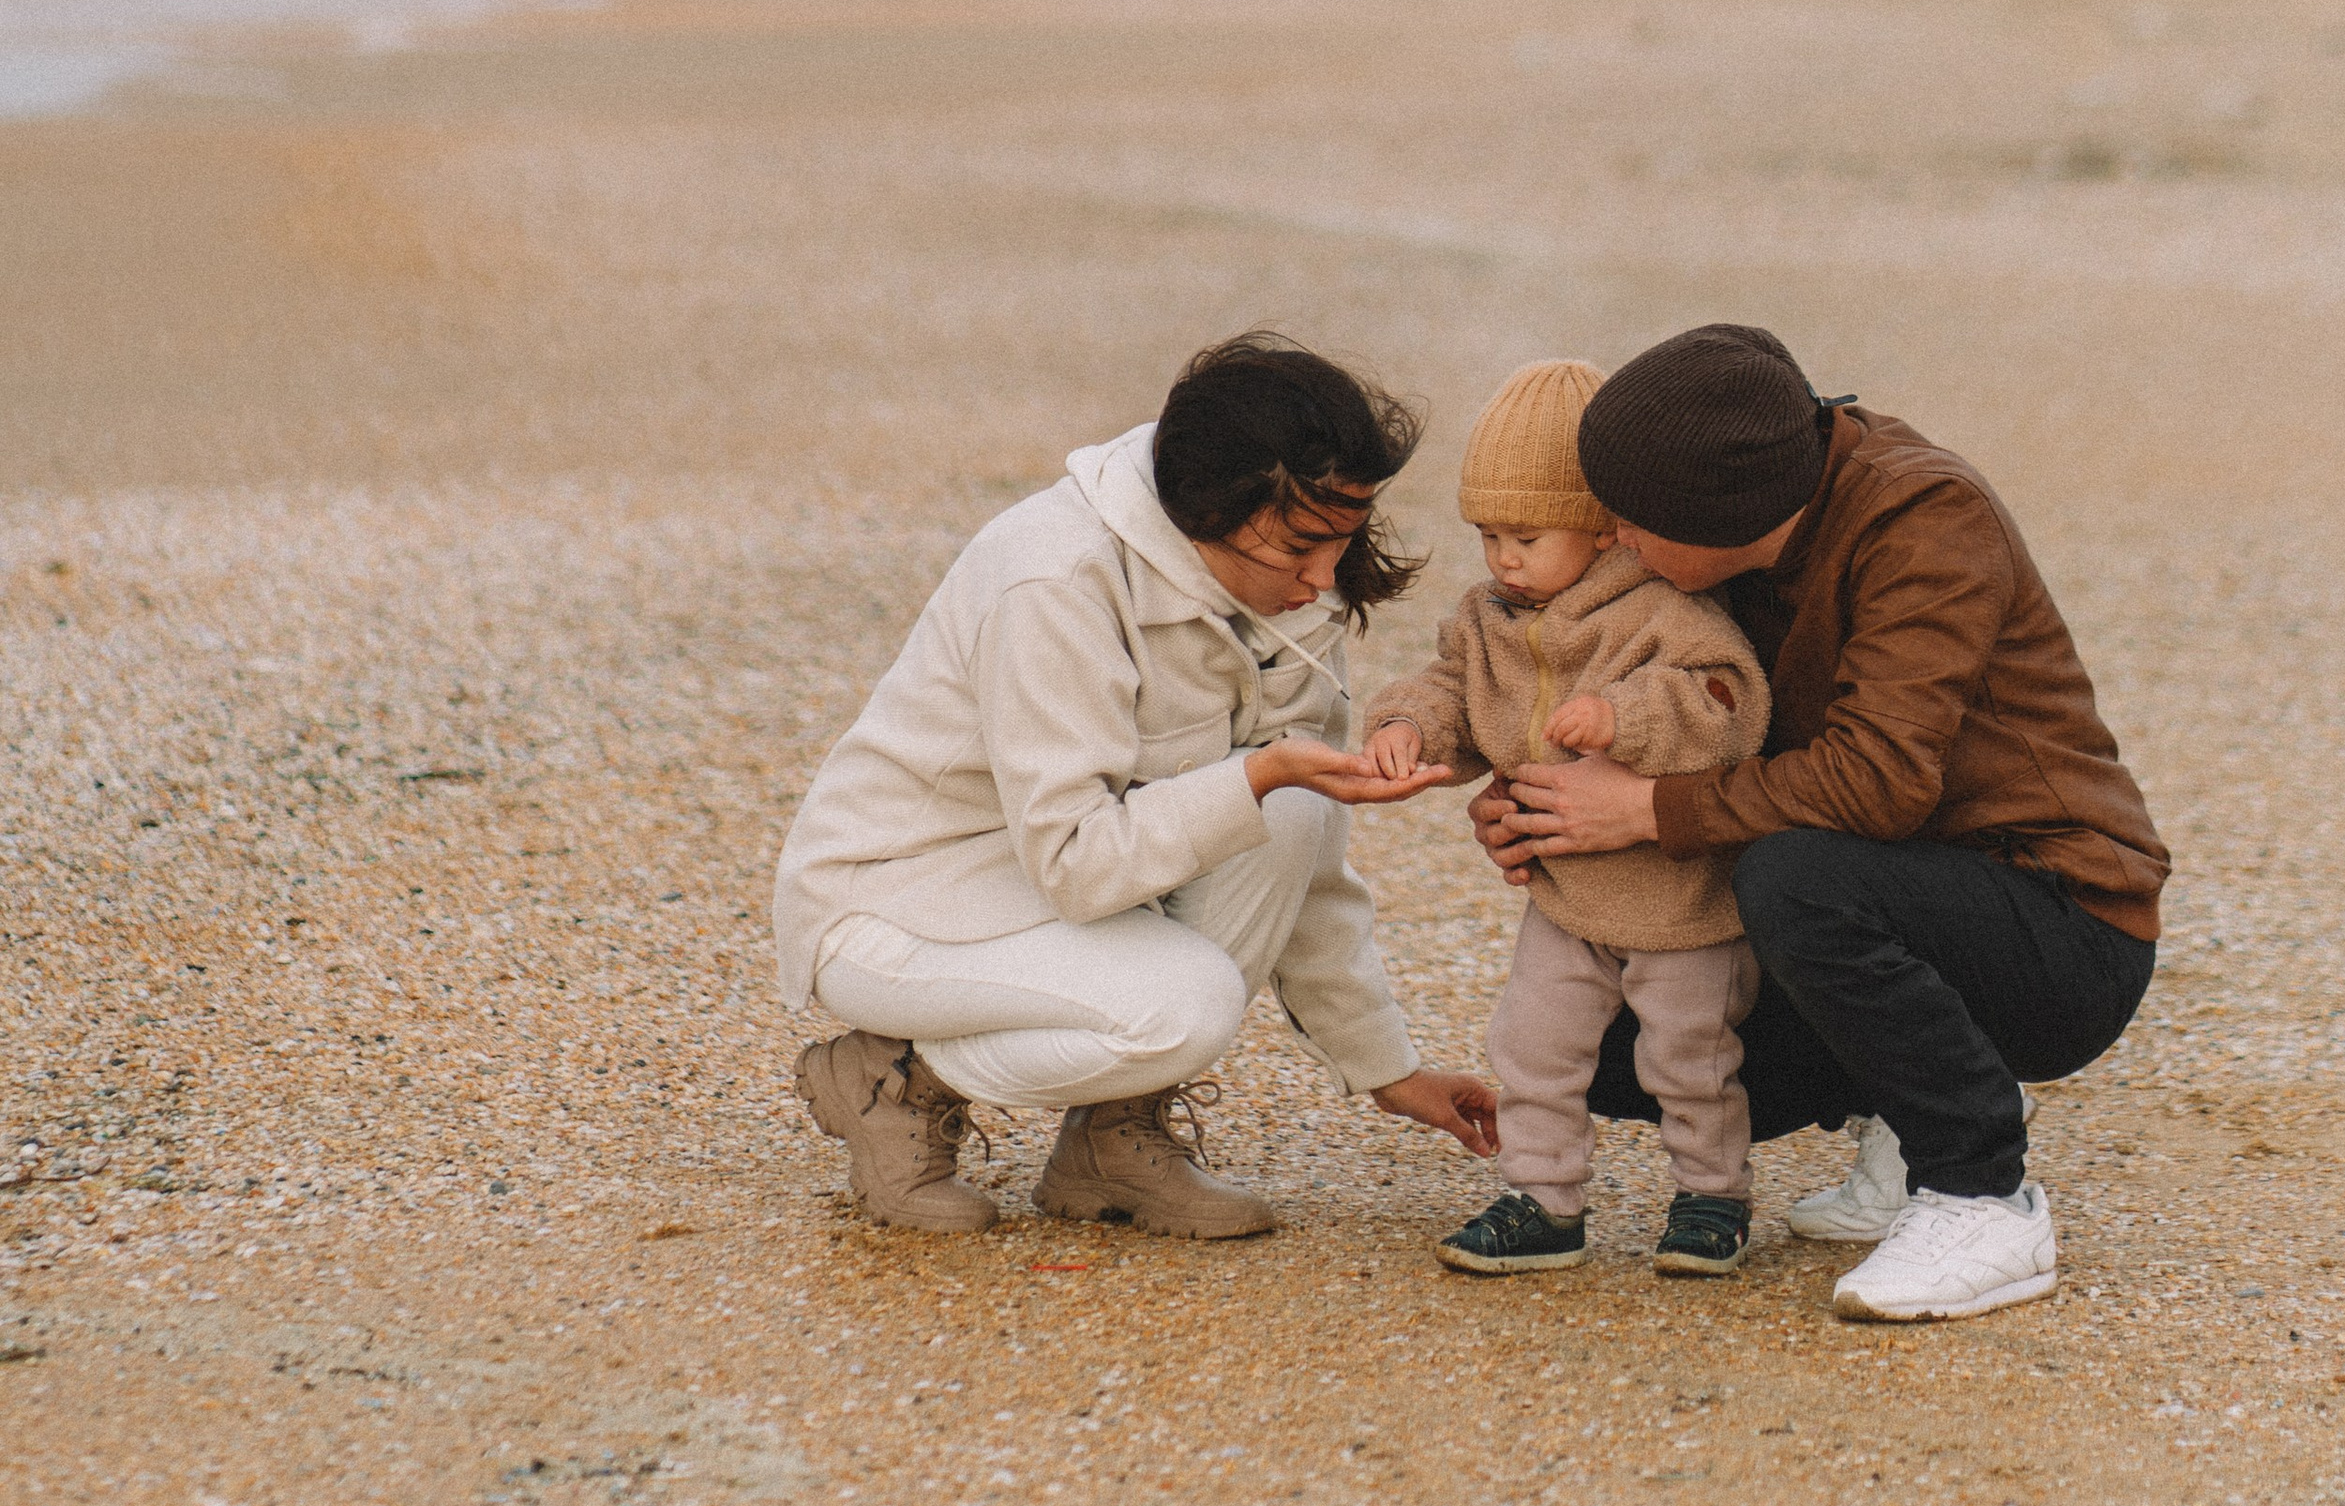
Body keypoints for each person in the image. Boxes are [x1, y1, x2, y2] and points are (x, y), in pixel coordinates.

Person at [1481, 325, 2168, 1324]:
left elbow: (1877, 783)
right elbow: (1618, 711)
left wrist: (1644, 809)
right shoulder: (1712, 556)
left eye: (1627, 521)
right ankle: (1918, 1104)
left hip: (2062, 929)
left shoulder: (1927, 521)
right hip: (1904, 896)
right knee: (1618, 1054)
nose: (1612, 539)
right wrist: (1532, 801)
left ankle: (1983, 1196)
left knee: (1796, 877)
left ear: (1720, 516)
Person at [772, 333, 1498, 1236]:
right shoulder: (1054, 576)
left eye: (1343, 541)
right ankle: (891, 1084)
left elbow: (1306, 879)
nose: (1324, 580)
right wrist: (1259, 773)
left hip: (1046, 894)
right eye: (1305, 545)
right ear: (1207, 510)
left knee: (1293, 812)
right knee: (1183, 1003)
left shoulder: (1288, 595)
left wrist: (1388, 1069)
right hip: (893, 904)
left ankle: (1110, 1144)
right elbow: (1077, 863)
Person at [1358, 359, 1770, 1279]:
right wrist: (1406, 725)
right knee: (1533, 1042)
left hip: (1683, 906)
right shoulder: (1490, 617)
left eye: (1528, 535)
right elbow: (1451, 689)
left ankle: (1712, 1198)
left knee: (1691, 1057)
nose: (1504, 558)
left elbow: (1727, 697)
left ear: (1602, 529)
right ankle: (1541, 1199)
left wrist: (1629, 717)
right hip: (1565, 897)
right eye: (1488, 534)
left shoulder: (1663, 608)